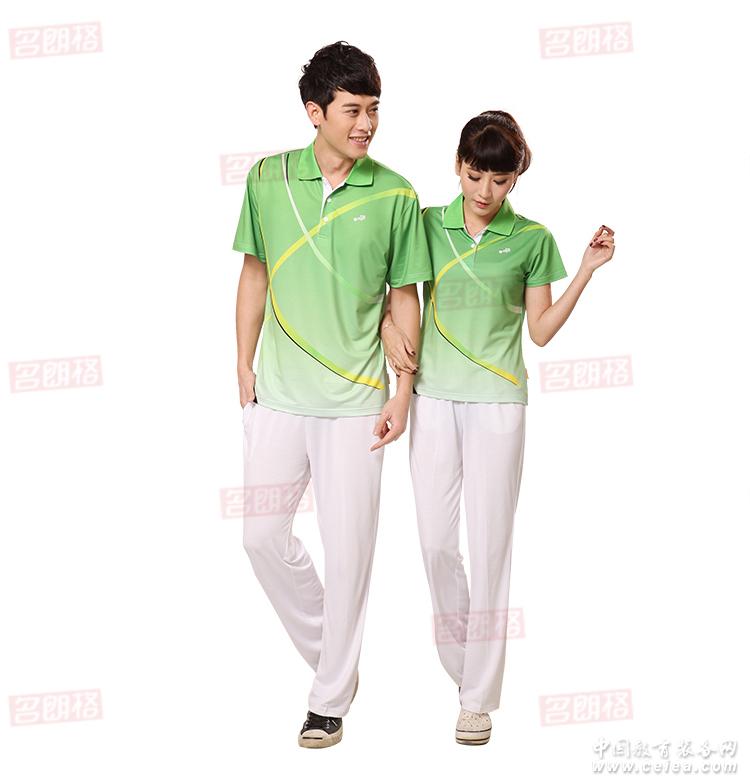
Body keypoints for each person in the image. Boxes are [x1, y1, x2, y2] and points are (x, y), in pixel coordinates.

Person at [380, 110, 615, 745]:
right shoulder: (426, 223)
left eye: (500, 180)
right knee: (436, 543)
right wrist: (387, 329)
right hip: (432, 397)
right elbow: (394, 293)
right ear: (458, 166)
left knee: (490, 547)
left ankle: (477, 697)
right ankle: (466, 665)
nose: (485, 191)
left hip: (498, 404)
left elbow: (539, 331)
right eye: (475, 175)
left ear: (515, 179)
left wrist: (586, 270)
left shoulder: (533, 239)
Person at [231, 41, 430, 749]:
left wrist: (403, 392)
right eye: (352, 110)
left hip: (355, 402)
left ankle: (328, 700)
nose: (366, 123)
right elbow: (254, 273)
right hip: (279, 395)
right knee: (261, 537)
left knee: (349, 555)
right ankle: (335, 657)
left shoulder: (397, 193)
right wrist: (242, 364)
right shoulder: (266, 178)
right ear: (315, 112)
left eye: (374, 109)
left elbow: (403, 296)